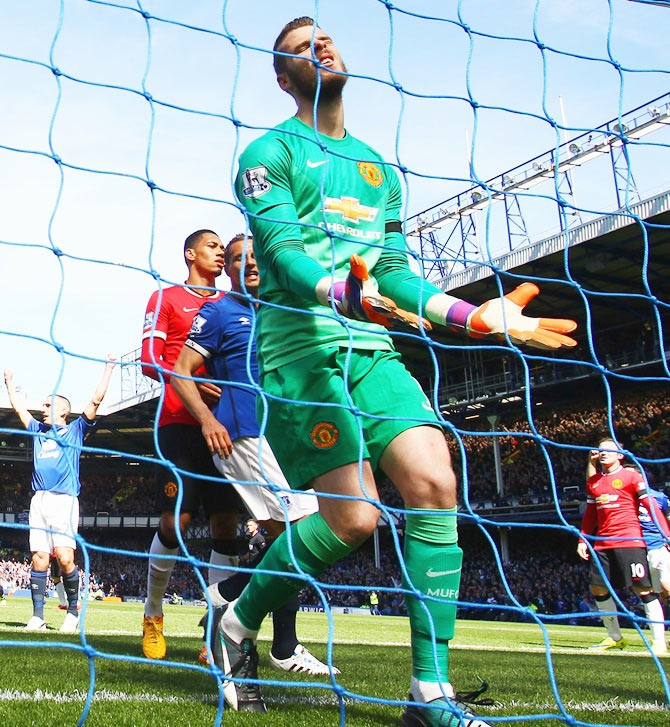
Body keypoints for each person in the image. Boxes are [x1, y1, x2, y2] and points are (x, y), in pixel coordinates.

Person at [216, 16, 579, 724]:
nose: (321, 46)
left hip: (372, 350)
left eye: (326, 37)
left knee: (434, 477)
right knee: (352, 519)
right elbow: (284, 256)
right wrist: (339, 291)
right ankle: (232, 626)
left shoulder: (378, 170)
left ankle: (430, 694)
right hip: (303, 353)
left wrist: (478, 317)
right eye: (300, 47)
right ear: (283, 77)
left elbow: (397, 276)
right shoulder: (267, 154)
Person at [172, 233, 334, 681]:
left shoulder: (283, 312)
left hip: (284, 438)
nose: (251, 265)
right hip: (242, 435)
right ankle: (268, 632)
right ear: (230, 270)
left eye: (257, 258)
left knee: (293, 545)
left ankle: (229, 597)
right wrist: (207, 419)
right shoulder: (221, 310)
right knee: (303, 536)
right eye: (239, 259)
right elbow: (179, 370)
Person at [140, 229, 244, 661]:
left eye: (224, 249)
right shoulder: (165, 298)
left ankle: (216, 632)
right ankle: (152, 613)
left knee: (226, 528)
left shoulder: (230, 305)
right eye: (213, 247)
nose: (221, 254)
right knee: (176, 524)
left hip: (229, 429)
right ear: (190, 253)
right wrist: (196, 383)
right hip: (180, 424)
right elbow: (148, 360)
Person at [4, 357, 116, 633]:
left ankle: (73, 613)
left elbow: (95, 401)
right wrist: (9, 384)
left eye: (47, 405)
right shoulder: (38, 431)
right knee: (39, 558)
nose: (42, 410)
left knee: (65, 558)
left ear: (63, 410)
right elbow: (19, 410)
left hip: (64, 500)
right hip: (38, 500)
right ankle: (38, 616)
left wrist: (108, 369)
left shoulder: (76, 430)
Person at [578, 438, 670, 656]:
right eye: (600, 450)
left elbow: (652, 507)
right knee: (598, 588)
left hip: (629, 540)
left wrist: (667, 535)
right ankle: (614, 637)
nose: (603, 453)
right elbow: (591, 514)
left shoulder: (632, 476)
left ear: (620, 455)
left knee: (643, 589)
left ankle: (659, 642)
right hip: (602, 543)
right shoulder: (595, 482)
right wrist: (583, 539)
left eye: (609, 450)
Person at [635, 475, 670, 606]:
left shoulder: (659, 497)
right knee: (658, 591)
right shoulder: (628, 500)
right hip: (639, 549)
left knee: (666, 584)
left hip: (658, 545)